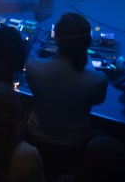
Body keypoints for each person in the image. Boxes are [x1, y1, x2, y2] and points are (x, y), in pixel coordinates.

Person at [23, 13, 108, 180]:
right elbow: (98, 101)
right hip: (75, 144)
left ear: (57, 40)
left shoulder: (33, 68)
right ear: (88, 43)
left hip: (35, 135)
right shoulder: (97, 81)